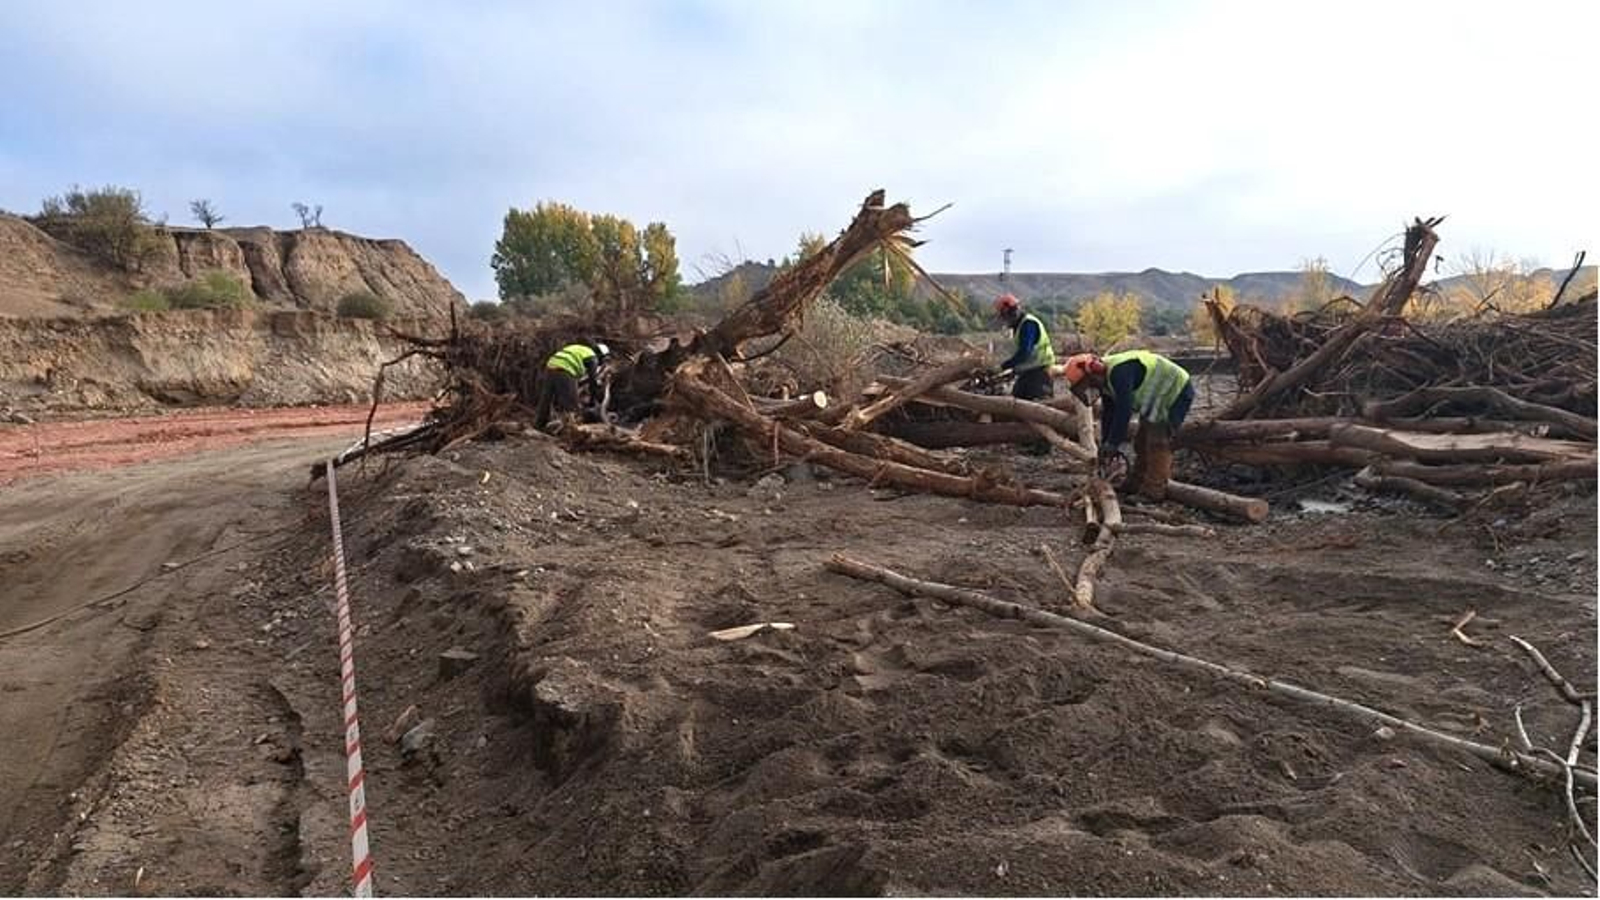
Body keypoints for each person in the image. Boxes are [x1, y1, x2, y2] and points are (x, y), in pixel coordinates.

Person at [1061, 350, 1194, 499]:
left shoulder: (1119, 372)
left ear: (1095, 371)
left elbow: (1124, 411)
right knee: (1141, 442)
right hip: (1156, 399)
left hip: (1175, 392)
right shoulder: (1106, 382)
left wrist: (1113, 443)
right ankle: (1135, 482)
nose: (1090, 388)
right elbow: (1109, 413)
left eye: (1089, 383)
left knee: (1158, 442)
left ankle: (1154, 490)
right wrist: (1106, 443)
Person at [991, 293, 1057, 401]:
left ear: (1011, 313)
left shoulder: (1028, 325)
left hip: (1040, 372)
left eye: (1005, 317)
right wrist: (1014, 370)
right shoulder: (1020, 326)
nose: (1005, 321)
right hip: (1029, 371)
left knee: (1037, 407)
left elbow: (1025, 352)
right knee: (1016, 401)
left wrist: (1004, 366)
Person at [535, 341, 609, 431]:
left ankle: (539, 424)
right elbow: (592, 381)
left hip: (551, 366)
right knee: (572, 403)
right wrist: (593, 401)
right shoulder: (593, 357)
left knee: (547, 398)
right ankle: (572, 429)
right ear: (601, 355)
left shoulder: (581, 349)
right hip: (565, 369)